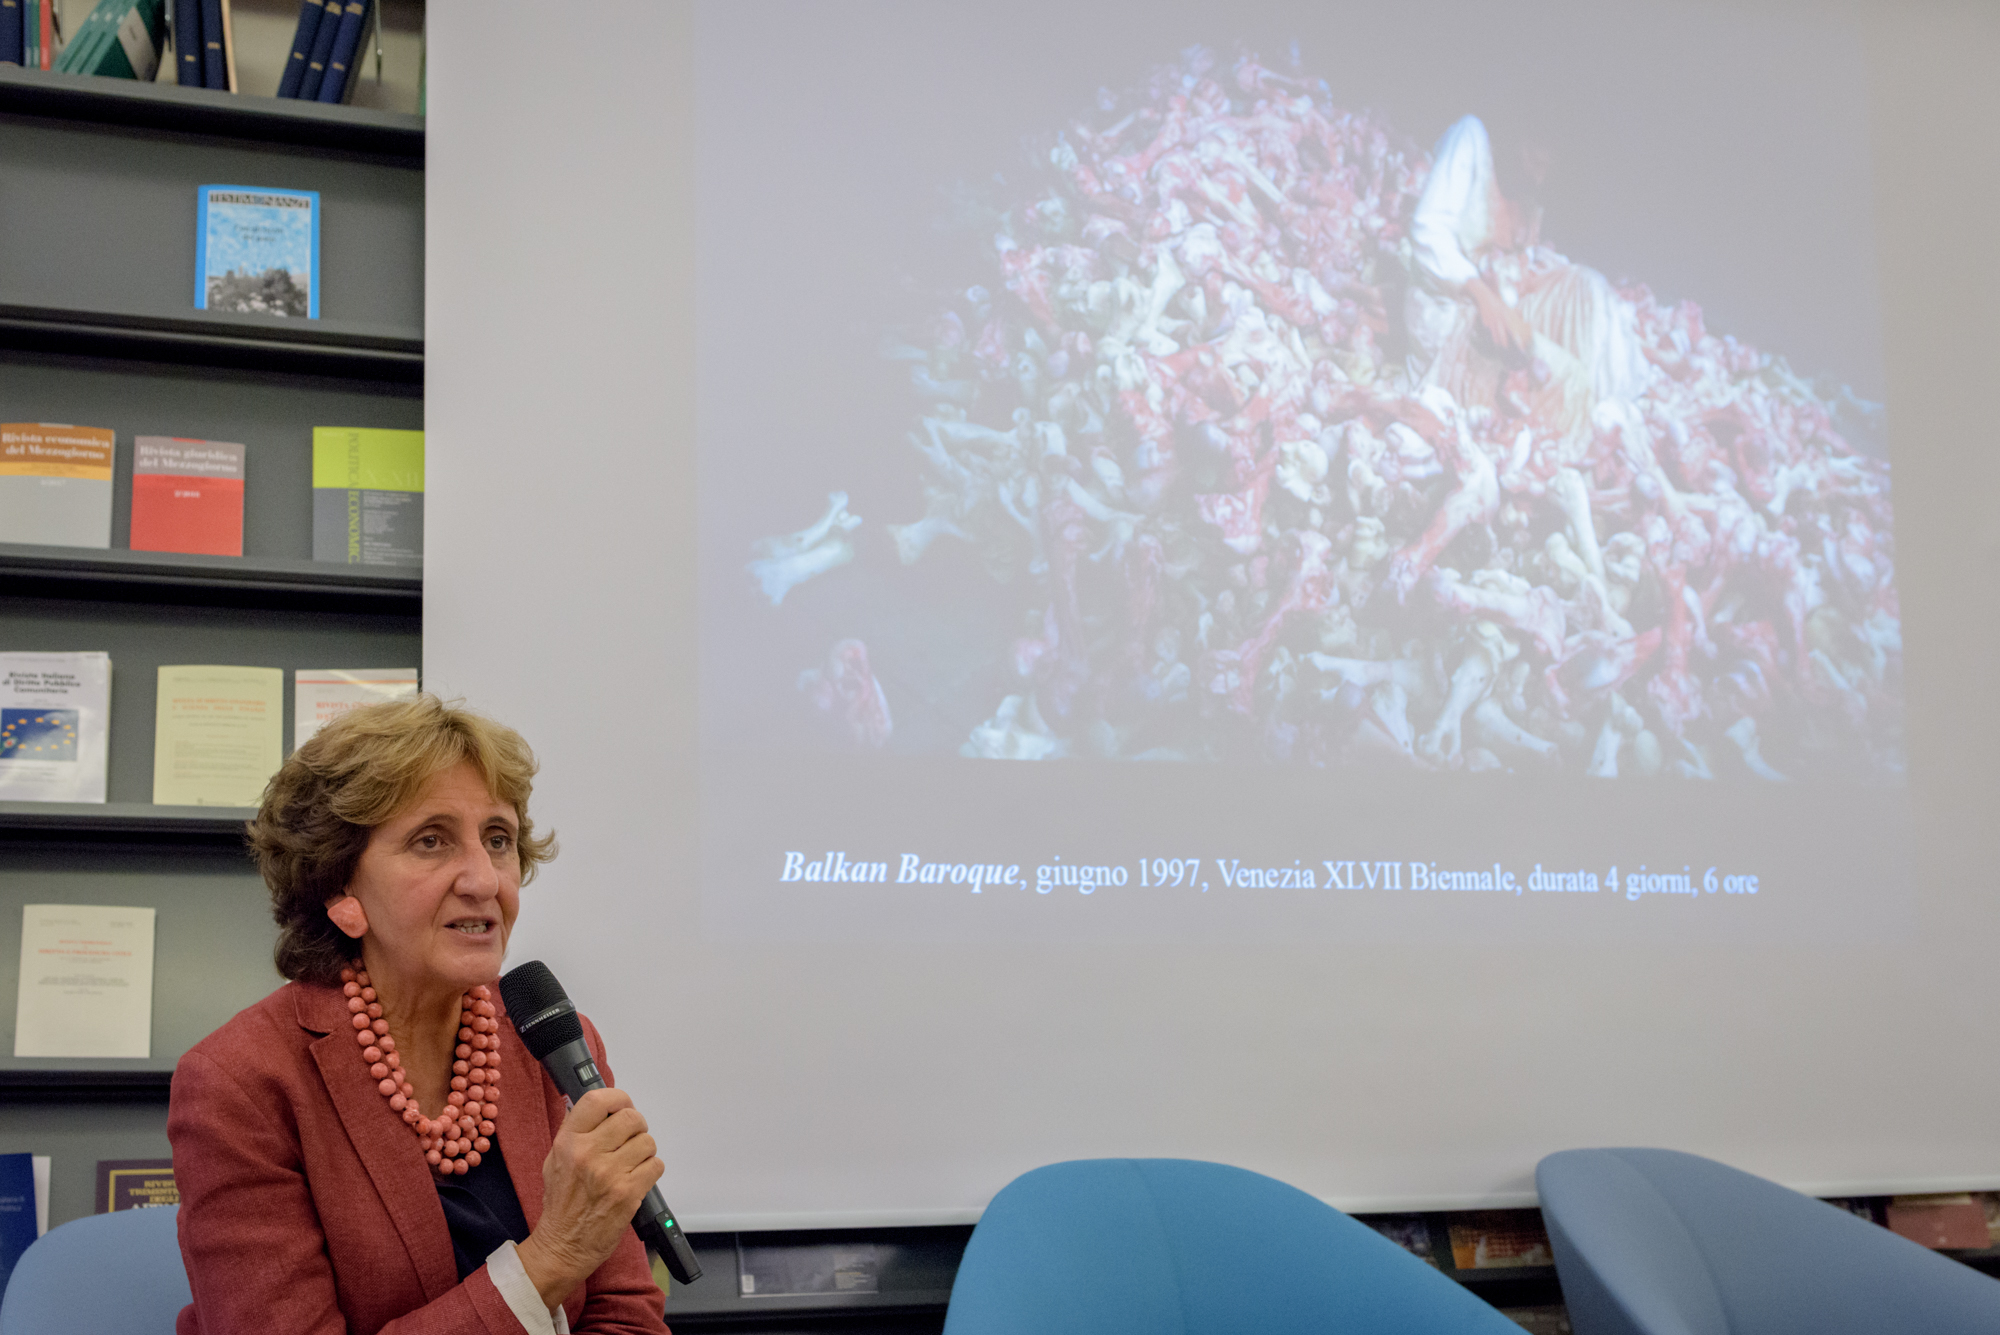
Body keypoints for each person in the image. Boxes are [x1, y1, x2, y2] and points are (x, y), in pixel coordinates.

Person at [168, 696, 672, 1335]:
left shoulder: (550, 1040)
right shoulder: (241, 1082)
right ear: (339, 888)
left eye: (499, 840)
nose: (485, 880)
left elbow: (624, 1312)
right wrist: (550, 1261)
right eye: (431, 841)